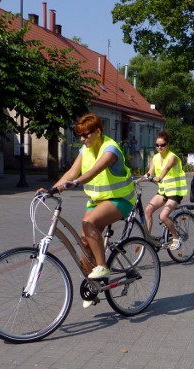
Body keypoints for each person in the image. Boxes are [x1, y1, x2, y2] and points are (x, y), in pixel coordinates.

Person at [49, 113, 135, 308]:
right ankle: (93, 284)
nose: (82, 139)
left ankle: (103, 267)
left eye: (86, 134)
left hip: (120, 199)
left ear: (98, 131)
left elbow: (94, 171)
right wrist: (51, 190)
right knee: (84, 241)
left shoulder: (110, 149)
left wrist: (75, 183)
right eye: (79, 135)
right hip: (97, 200)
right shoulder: (85, 149)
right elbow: (72, 172)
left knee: (89, 223)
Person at [144, 131, 188, 250]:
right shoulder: (156, 157)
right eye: (157, 145)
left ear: (168, 144)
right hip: (163, 191)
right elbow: (150, 172)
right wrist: (138, 180)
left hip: (175, 192)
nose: (159, 147)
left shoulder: (172, 157)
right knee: (148, 210)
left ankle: (176, 237)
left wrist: (160, 177)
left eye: (162, 145)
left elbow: (167, 168)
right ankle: (147, 239)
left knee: (163, 216)